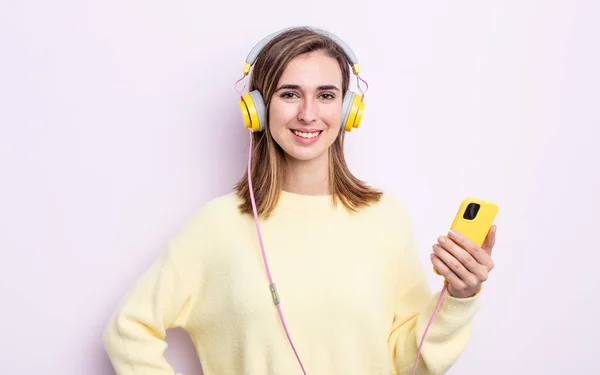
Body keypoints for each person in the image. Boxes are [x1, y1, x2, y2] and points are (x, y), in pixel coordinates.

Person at [102, 26, 497, 375]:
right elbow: (129, 331)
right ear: (257, 108)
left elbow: (409, 362)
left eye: (326, 95)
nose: (309, 114)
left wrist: (459, 299)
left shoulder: (385, 218)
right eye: (290, 94)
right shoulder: (217, 225)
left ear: (348, 109)